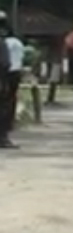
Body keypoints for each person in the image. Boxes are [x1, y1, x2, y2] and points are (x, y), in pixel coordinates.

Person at [0, 20, 22, 148]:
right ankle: (3, 137)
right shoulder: (5, 43)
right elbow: (5, 64)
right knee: (6, 107)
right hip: (7, 78)